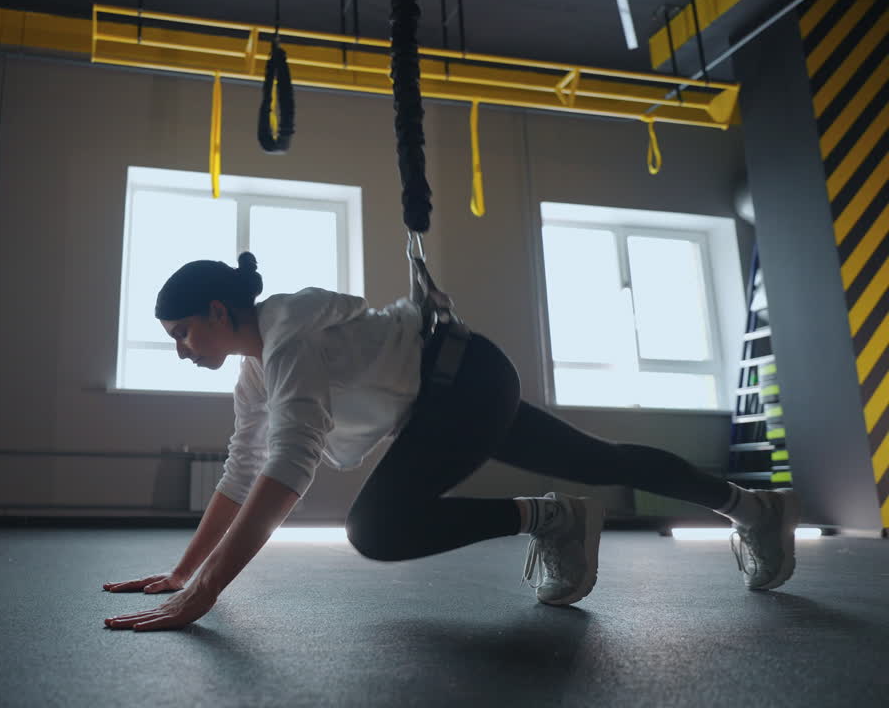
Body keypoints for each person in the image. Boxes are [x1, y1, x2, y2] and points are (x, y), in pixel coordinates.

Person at [103, 252, 800, 631]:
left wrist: (209, 593)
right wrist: (186, 570)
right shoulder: (256, 374)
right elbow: (243, 469)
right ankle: (750, 507)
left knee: (375, 527)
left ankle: (552, 518)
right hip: (452, 393)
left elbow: (290, 466)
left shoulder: (287, 336)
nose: (182, 350)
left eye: (184, 334)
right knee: (599, 461)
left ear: (219, 311)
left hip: (462, 380)